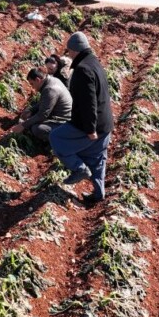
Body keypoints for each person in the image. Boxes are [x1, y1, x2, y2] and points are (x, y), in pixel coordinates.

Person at [49, 32, 113, 205]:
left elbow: (88, 102)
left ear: (75, 50)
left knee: (56, 137)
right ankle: (99, 193)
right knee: (97, 158)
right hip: (105, 123)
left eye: (69, 51)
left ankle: (79, 169)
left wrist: (90, 129)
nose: (68, 54)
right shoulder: (95, 63)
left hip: (92, 124)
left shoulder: (82, 70)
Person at [11, 68, 72, 142]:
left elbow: (43, 115)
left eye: (32, 84)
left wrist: (23, 125)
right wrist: (31, 110)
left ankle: (61, 142)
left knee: (37, 129)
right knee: (33, 118)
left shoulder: (50, 89)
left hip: (64, 123)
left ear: (38, 80)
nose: (32, 87)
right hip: (59, 116)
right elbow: (45, 101)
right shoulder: (52, 80)